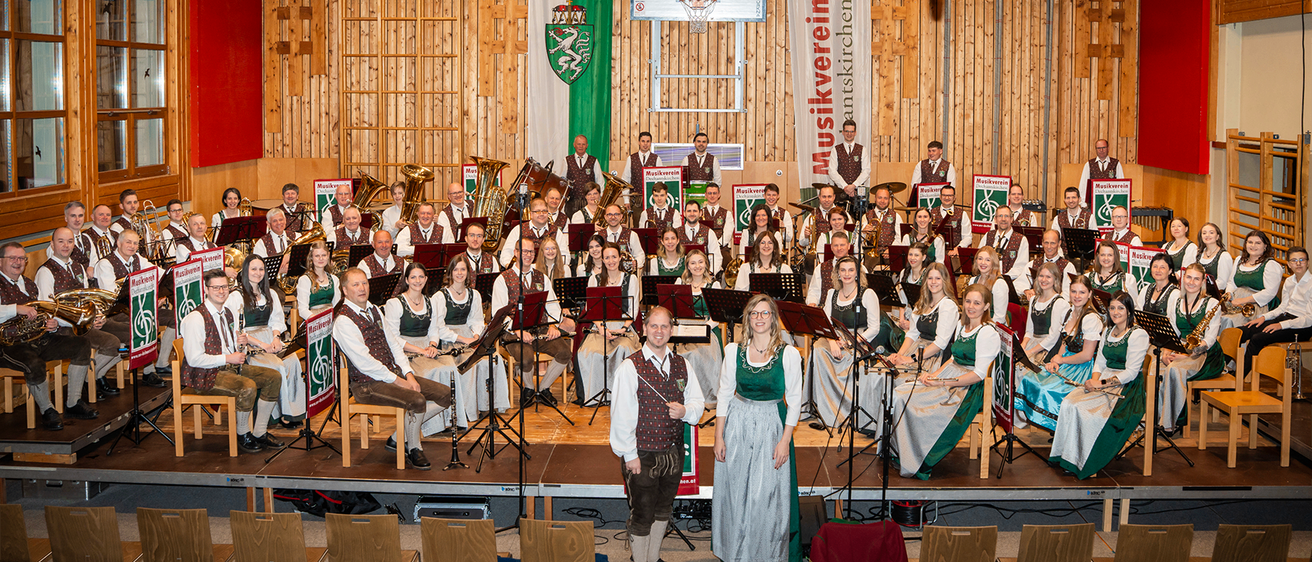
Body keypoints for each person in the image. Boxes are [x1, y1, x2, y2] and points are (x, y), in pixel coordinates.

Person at [610, 306, 704, 562]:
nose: (659, 331)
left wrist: (685, 410)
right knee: (642, 513)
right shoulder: (630, 367)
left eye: (664, 326)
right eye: (654, 326)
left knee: (663, 510)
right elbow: (621, 416)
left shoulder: (682, 364)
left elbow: (698, 404)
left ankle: (653, 558)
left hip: (672, 453)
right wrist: (630, 455)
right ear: (644, 329)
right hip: (641, 454)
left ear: (671, 330)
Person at [713, 294, 803, 562]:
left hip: (771, 425)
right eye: (754, 313)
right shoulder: (733, 351)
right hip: (738, 423)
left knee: (765, 496)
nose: (759, 318)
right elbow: (724, 395)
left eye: (765, 313)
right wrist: (719, 437)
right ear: (747, 319)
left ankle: (765, 553)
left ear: (773, 318)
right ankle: (736, 551)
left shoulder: (788, 354)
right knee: (735, 491)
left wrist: (785, 440)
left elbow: (796, 400)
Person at [334, 268, 453, 469]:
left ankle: (398, 436)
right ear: (345, 291)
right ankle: (414, 447)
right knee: (417, 399)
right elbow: (365, 363)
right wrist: (400, 382)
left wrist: (409, 374)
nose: (362, 288)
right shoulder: (343, 320)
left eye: (364, 283)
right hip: (367, 384)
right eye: (356, 285)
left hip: (392, 374)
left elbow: (394, 345)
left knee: (446, 394)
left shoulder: (373, 309)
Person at [890, 283, 1000, 479]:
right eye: (968, 301)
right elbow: (952, 358)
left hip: (967, 388)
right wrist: (935, 374)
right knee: (902, 393)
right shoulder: (962, 324)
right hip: (950, 375)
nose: (971, 307)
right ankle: (901, 451)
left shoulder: (987, 332)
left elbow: (978, 374)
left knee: (915, 402)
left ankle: (919, 457)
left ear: (986, 306)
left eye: (977, 303)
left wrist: (942, 383)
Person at [181, 269, 284, 453]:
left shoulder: (227, 313)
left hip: (229, 368)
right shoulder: (195, 318)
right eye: (216, 287)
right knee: (247, 386)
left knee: (273, 376)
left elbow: (231, 346)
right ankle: (243, 433)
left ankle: (259, 432)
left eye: (225, 287)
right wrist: (229, 357)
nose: (221, 291)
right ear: (206, 289)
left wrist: (240, 345)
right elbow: (194, 359)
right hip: (205, 375)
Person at [1049, 290, 1147, 478]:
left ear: (1129, 311)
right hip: (1103, 381)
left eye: (1121, 308)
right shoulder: (1108, 331)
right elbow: (1100, 361)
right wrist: (1094, 380)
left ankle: (1084, 462)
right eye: (1112, 308)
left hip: (1126, 389)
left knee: (1086, 411)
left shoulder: (1138, 334)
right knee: (1069, 403)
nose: (1116, 312)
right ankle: (1065, 456)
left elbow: (1131, 373)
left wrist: (1100, 384)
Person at [0, 242, 95, 430]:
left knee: (82, 344)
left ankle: (73, 403)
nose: (18, 262)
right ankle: (47, 411)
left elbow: (41, 312)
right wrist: (16, 309)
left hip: (38, 339)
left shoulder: (28, 283)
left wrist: (49, 324)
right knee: (35, 364)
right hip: (9, 346)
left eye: (22, 259)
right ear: (1, 261)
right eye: (13, 258)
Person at [36, 228, 126, 407]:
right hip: (63, 328)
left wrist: (97, 316)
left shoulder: (78, 267)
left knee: (128, 339)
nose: (66, 245)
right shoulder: (45, 271)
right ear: (52, 244)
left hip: (85, 322)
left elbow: (88, 299)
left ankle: (91, 375)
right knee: (112, 343)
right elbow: (47, 309)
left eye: (69, 241)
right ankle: (88, 380)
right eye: (61, 241)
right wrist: (81, 320)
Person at [1015, 275, 1103, 432]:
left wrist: (1061, 360)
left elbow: (1087, 355)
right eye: (1074, 291)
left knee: (1046, 390)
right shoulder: (1070, 313)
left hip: (1080, 368)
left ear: (1089, 294)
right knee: (1030, 379)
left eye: (1082, 292)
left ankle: (1060, 430)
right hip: (1065, 361)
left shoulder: (1091, 319)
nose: (1077, 296)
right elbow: (1065, 341)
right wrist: (1055, 361)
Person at [491, 238, 573, 405]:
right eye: (524, 251)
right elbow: (497, 313)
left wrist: (552, 325)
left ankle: (542, 389)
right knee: (526, 358)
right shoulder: (503, 279)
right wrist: (517, 331)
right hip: (513, 333)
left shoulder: (541, 277)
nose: (528, 255)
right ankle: (528, 389)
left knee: (564, 352)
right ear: (516, 253)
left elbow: (553, 306)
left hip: (541, 330)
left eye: (531, 252)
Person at [227, 255, 304, 430]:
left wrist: (276, 337)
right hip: (250, 346)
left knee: (292, 361)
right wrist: (263, 345)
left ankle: (292, 411)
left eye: (261, 269)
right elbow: (237, 330)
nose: (258, 273)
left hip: (270, 339)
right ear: (245, 271)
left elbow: (276, 320)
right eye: (253, 269)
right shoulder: (236, 296)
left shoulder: (270, 293)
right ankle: (275, 415)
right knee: (277, 366)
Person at [384, 263, 461, 435]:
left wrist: (433, 345)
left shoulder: (430, 301)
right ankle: (429, 426)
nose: (417, 281)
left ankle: (448, 420)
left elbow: (434, 330)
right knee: (432, 371)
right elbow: (394, 338)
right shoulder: (394, 303)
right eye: (413, 277)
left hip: (427, 346)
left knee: (450, 368)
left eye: (421, 277)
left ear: (426, 279)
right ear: (406, 280)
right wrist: (420, 350)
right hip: (406, 350)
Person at [93, 230, 173, 384]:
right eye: (128, 242)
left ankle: (161, 363)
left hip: (137, 308)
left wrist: (168, 280)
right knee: (146, 326)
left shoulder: (137, 258)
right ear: (118, 243)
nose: (132, 246)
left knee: (175, 318)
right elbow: (113, 298)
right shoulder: (105, 264)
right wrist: (149, 300)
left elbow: (159, 273)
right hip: (112, 314)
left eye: (135, 243)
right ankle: (96, 376)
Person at [811, 256, 880, 428]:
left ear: (857, 273)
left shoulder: (867, 293)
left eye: (851, 270)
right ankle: (825, 410)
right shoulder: (831, 293)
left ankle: (845, 411)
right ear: (837, 273)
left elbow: (874, 328)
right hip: (836, 336)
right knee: (818, 349)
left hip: (859, 339)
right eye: (843, 270)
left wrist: (850, 343)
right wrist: (833, 341)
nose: (847, 274)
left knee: (850, 358)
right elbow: (825, 323)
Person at [435, 254, 506, 419]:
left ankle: (487, 405)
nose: (459, 273)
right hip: (449, 340)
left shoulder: (474, 294)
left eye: (463, 269)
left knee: (493, 359)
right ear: (450, 272)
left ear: (468, 272)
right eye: (456, 269)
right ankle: (467, 411)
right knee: (469, 363)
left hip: (468, 334)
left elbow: (476, 320)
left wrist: (476, 336)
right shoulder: (440, 296)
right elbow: (438, 327)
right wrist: (463, 340)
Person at [1160, 264, 1224, 432]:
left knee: (1175, 369)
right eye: (1189, 277)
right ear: (1182, 279)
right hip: (1181, 346)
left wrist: (1186, 355)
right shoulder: (1176, 301)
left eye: (1197, 279)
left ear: (1203, 282)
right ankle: (1156, 417)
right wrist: (1166, 352)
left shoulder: (1212, 303)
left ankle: (1171, 423)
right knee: (1156, 366)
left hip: (1205, 354)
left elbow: (1209, 340)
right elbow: (1172, 330)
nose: (1192, 282)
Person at [579, 244, 641, 406]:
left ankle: (623, 396)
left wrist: (622, 329)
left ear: (620, 258)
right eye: (607, 257)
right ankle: (597, 395)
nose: (611, 261)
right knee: (590, 352)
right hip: (601, 326)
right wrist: (601, 328)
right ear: (602, 260)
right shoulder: (595, 279)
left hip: (624, 326)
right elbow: (591, 309)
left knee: (625, 349)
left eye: (614, 256)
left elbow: (633, 310)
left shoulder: (631, 279)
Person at [885, 263, 960, 395]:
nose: (933, 282)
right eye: (930, 278)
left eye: (938, 278)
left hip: (935, 356)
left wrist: (910, 359)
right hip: (917, 350)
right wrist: (900, 355)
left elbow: (940, 343)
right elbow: (912, 334)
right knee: (887, 372)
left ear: (945, 281)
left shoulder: (948, 305)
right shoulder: (922, 303)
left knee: (901, 381)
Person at [1238, 247, 1312, 375]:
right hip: (1285, 318)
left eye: (1302, 260)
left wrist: (1280, 325)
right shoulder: (1289, 281)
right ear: (1288, 264)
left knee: (1257, 338)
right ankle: (1219, 372)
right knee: (1242, 331)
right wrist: (1264, 317)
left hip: (1302, 327)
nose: (1298, 263)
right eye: (1294, 260)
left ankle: (1237, 379)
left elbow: (1309, 319)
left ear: (1308, 262)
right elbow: (1283, 307)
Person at [675, 250, 722, 404]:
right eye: (693, 263)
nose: (697, 266)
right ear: (687, 266)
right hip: (683, 330)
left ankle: (700, 397)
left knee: (694, 355)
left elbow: (717, 316)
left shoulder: (713, 285)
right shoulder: (679, 283)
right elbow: (673, 311)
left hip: (707, 330)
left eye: (700, 262)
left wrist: (702, 329)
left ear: (706, 264)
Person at [1222, 230, 1283, 328]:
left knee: (1230, 321)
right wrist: (1229, 293)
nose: (1253, 245)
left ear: (1265, 246)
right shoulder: (1239, 260)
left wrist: (1243, 300)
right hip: (1237, 303)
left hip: (1258, 306)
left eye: (1258, 243)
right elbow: (1231, 282)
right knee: (1218, 318)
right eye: (1250, 242)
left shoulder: (1271, 265)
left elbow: (1270, 292)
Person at [499, 197, 568, 269]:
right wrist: (515, 268)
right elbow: (506, 254)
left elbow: (565, 256)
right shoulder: (518, 230)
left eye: (544, 211)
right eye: (537, 211)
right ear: (531, 214)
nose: (541, 214)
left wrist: (552, 267)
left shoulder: (556, 231)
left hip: (549, 272)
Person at [1022, 263, 1071, 361]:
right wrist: (1023, 347)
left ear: (1055, 279)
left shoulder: (1059, 303)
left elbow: (1053, 337)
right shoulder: (1033, 300)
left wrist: (1031, 352)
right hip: (1032, 344)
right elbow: (1029, 330)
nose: (1044, 280)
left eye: (1048, 277)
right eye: (1041, 276)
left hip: (1047, 349)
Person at [978, 206, 1030, 291]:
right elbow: (979, 260)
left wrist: (1001, 278)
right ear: (995, 219)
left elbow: (1021, 267)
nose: (1003, 219)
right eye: (1000, 216)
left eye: (1006, 216)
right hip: (986, 284)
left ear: (1012, 219)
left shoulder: (1021, 240)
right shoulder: (988, 236)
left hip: (1009, 285)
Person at [806, 232, 861, 307]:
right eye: (835, 245)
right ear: (831, 247)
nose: (839, 248)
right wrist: (812, 303)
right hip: (826, 310)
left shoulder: (858, 267)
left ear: (848, 246)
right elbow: (814, 291)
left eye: (842, 245)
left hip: (851, 311)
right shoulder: (821, 268)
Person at [1024, 230, 1076, 302]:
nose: (1049, 247)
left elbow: (1068, 293)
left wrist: (1049, 300)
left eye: (1052, 243)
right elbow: (1020, 284)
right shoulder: (1032, 264)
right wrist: (1026, 291)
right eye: (1046, 243)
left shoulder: (1068, 267)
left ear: (1059, 243)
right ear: (1042, 243)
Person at [295, 242, 340, 323]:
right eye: (317, 256)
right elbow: (302, 310)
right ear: (311, 258)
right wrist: (318, 321)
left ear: (328, 256)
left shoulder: (334, 279)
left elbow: (337, 306)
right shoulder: (305, 280)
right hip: (313, 322)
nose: (321, 258)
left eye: (323, 255)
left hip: (330, 320)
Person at [828, 119, 871, 203]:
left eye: (851, 131)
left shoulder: (862, 149)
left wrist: (854, 186)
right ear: (843, 132)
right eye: (847, 131)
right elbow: (832, 171)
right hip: (840, 192)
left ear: (855, 133)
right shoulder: (835, 149)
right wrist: (845, 186)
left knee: (858, 215)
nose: (849, 134)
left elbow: (866, 170)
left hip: (857, 192)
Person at [621, 132, 663, 217]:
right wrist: (626, 200)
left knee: (652, 224)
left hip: (652, 199)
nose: (645, 144)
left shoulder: (656, 159)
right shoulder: (631, 158)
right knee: (637, 226)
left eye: (648, 141)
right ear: (639, 142)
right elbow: (625, 180)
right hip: (636, 200)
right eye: (643, 141)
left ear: (650, 143)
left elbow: (661, 181)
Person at [561, 135, 602, 218]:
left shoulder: (593, 161)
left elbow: (600, 181)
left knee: (590, 226)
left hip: (589, 202)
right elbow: (562, 181)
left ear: (587, 146)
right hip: (572, 202)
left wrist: (599, 200)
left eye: (583, 144)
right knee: (573, 227)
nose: (581, 146)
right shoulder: (566, 160)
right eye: (579, 144)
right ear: (574, 145)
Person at [800, 186, 851, 253]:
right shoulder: (812, 215)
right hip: (819, 252)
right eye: (824, 197)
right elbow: (801, 243)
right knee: (809, 260)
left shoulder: (844, 214)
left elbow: (851, 236)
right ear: (819, 197)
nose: (827, 200)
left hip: (841, 250)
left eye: (829, 196)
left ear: (834, 197)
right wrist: (806, 237)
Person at [676, 199, 722, 273]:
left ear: (700, 213)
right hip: (681, 275)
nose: (692, 214)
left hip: (703, 276)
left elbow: (716, 257)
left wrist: (711, 274)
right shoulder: (676, 233)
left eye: (695, 211)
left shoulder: (709, 232)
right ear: (684, 213)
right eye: (689, 211)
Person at [968, 246, 1010, 325]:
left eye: (988, 260)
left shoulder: (999, 284)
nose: (983, 262)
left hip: (993, 327)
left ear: (993, 263)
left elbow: (999, 318)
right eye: (980, 258)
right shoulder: (973, 281)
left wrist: (983, 329)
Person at [599, 203, 646, 271]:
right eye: (609, 214)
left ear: (621, 216)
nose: (613, 217)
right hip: (605, 275)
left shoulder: (632, 235)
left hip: (626, 275)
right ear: (605, 217)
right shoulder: (598, 235)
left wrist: (636, 263)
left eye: (616, 214)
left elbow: (640, 255)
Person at [1076, 139, 1124, 204]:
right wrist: (1082, 203)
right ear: (1096, 149)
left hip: (1112, 201)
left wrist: (1120, 201)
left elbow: (1121, 185)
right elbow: (1083, 184)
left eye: (1103, 147)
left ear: (1108, 148)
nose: (1101, 150)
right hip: (1093, 202)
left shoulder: (1116, 163)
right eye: (1099, 148)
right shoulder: (1089, 164)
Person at [251, 208, 293, 278]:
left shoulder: (297, 236)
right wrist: (278, 270)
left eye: (281, 219)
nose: (279, 223)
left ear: (285, 220)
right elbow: (259, 269)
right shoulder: (261, 243)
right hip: (272, 285)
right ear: (268, 224)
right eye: (274, 221)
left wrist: (288, 256)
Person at [932, 185, 972, 252]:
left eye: (950, 195)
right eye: (944, 195)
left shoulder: (962, 214)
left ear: (954, 198)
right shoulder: (931, 212)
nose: (947, 198)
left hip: (954, 253)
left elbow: (968, 237)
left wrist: (958, 248)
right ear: (940, 197)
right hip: (935, 252)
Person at [1196, 222, 1233, 290]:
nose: (1207, 235)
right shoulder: (1198, 254)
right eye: (1204, 233)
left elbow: (1222, 283)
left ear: (1217, 236)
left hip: (1214, 295)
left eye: (1211, 233)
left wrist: (1202, 288)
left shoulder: (1224, 256)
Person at [700, 183, 735, 255]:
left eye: (714, 193)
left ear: (719, 195)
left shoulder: (727, 213)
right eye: (709, 193)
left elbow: (728, 234)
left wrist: (717, 244)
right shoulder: (700, 213)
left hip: (722, 248)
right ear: (705, 195)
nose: (712, 196)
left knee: (730, 265)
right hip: (704, 249)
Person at [64, 202, 100, 270]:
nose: (77, 220)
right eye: (73, 216)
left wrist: (92, 267)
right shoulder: (59, 241)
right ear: (66, 218)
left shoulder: (86, 238)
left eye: (80, 215)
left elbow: (94, 259)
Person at [762, 184, 794, 248]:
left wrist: (783, 229)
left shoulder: (785, 213)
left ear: (778, 196)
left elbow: (789, 238)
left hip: (778, 248)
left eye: (774, 195)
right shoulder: (758, 212)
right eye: (768, 195)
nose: (771, 197)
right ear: (764, 196)